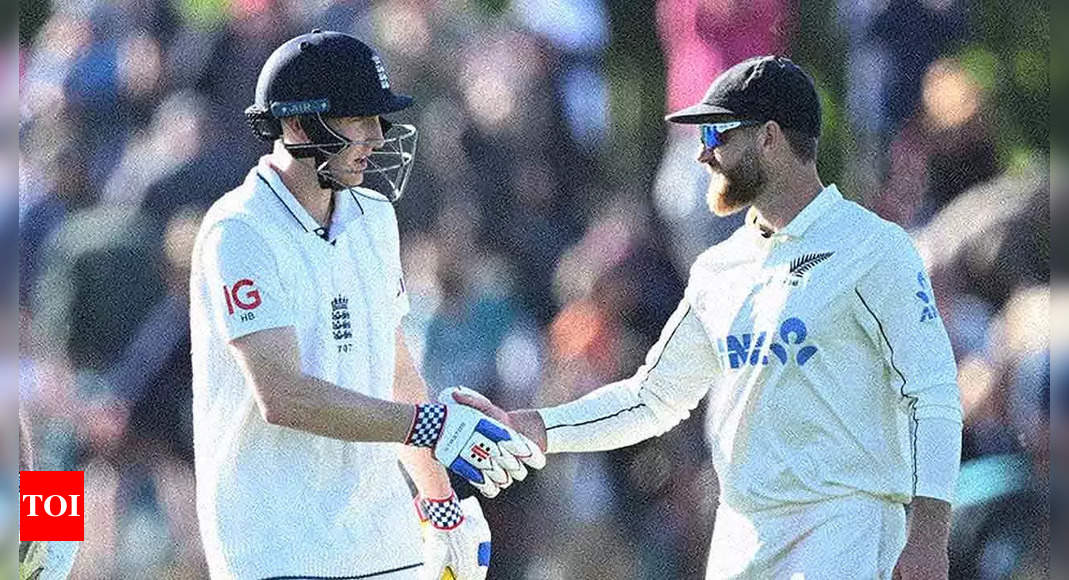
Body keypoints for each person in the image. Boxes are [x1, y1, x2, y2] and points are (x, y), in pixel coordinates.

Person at [453, 55, 963, 579]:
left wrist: (927, 536)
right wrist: (533, 426)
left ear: (768, 138)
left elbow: (934, 396)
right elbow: (652, 398)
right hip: (741, 534)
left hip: (846, 528)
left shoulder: (874, 248)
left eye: (717, 133)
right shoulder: (719, 268)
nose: (703, 153)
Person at [189, 30, 544, 580]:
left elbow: (396, 372)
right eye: (357, 119)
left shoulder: (374, 217)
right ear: (298, 124)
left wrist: (439, 500)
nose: (376, 137)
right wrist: (429, 427)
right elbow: (282, 397)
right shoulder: (240, 230)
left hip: (383, 542)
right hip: (276, 547)